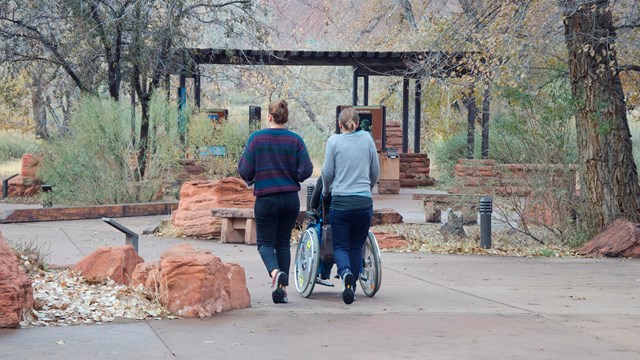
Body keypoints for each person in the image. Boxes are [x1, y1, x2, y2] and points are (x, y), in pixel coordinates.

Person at [238, 99, 313, 304]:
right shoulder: (295, 140)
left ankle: (274, 273)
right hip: (290, 200)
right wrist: (293, 175)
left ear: (269, 117)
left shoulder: (256, 139)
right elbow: (306, 170)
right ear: (285, 117)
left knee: (264, 243)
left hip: (266, 199)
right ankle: (281, 290)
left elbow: (245, 170)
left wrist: (254, 177)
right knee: (282, 243)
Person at [321, 107, 380, 304]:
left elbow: (327, 173)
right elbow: (375, 170)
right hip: (364, 202)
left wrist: (327, 190)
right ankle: (351, 286)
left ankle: (345, 272)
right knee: (356, 246)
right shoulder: (367, 139)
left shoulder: (334, 141)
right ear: (357, 122)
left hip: (341, 202)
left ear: (339, 124)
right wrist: (367, 188)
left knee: (340, 245)